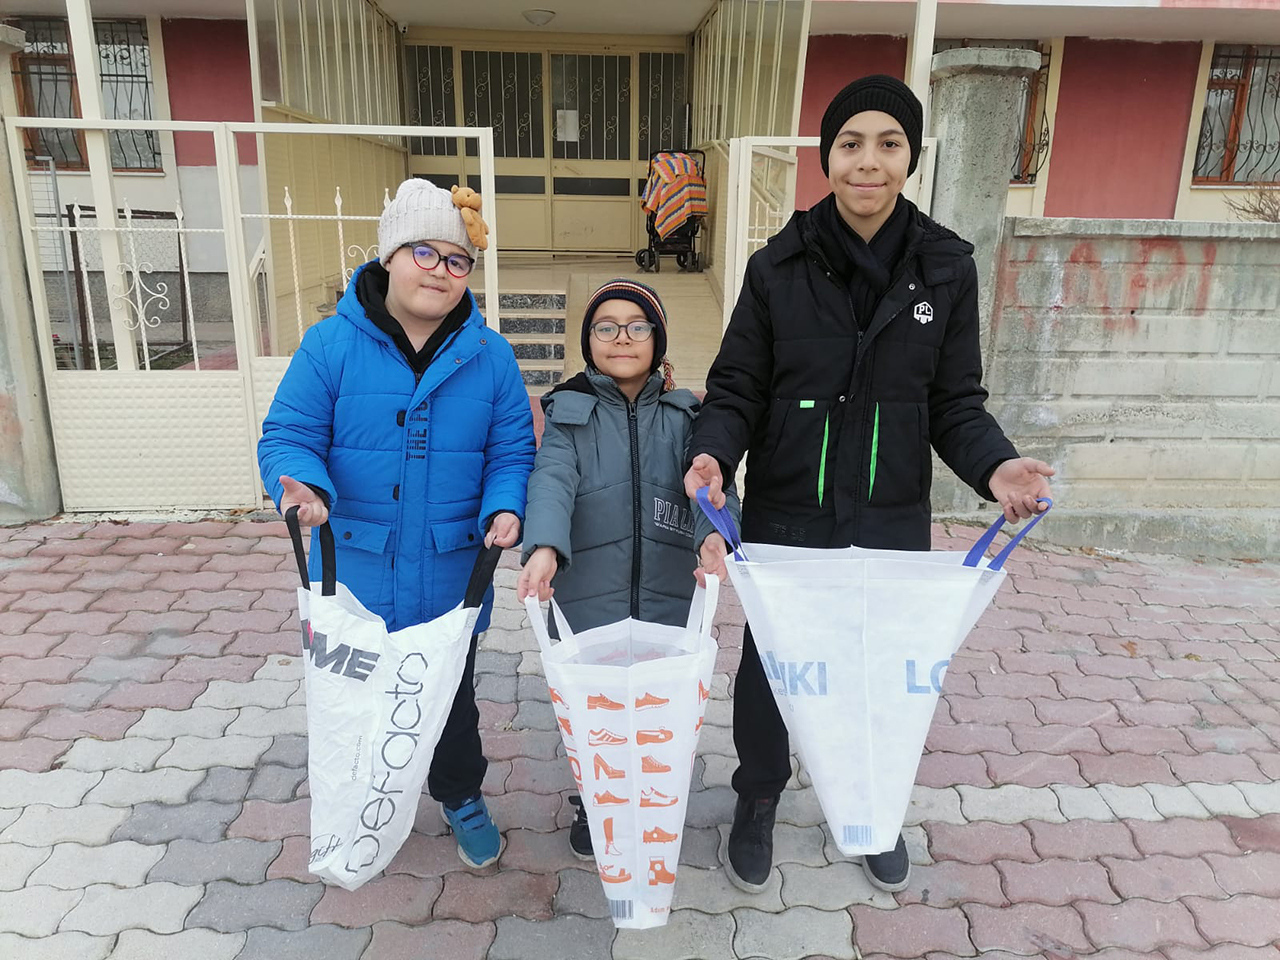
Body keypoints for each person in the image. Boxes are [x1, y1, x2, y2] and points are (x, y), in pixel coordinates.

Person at [684, 75, 1054, 894]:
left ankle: (871, 804)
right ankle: (758, 796)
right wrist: (713, 454)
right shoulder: (776, 267)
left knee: (878, 669)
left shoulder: (946, 268)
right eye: (851, 144)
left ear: (909, 158)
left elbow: (954, 403)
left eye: (889, 144)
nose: (868, 162)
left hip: (889, 514)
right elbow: (738, 389)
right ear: (828, 156)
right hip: (790, 510)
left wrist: (996, 466)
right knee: (773, 669)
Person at [258, 179, 535, 869]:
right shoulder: (329, 346)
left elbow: (510, 450)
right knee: (356, 700)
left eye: (457, 259)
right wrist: (302, 484)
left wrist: (506, 505)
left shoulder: (491, 356)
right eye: (425, 252)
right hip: (356, 573)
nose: (440, 271)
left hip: (452, 575)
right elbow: (288, 434)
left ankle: (459, 793)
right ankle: (360, 801)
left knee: (447, 700)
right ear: (389, 256)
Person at [517, 278, 739, 859]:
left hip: (668, 588)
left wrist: (712, 537)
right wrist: (545, 546)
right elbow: (551, 480)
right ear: (588, 341)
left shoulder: (688, 414)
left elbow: (711, 488)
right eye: (606, 327)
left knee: (658, 703)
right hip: (589, 590)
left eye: (637, 326)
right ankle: (593, 799)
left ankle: (654, 796)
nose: (622, 338)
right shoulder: (568, 412)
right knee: (598, 706)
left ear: (657, 339)